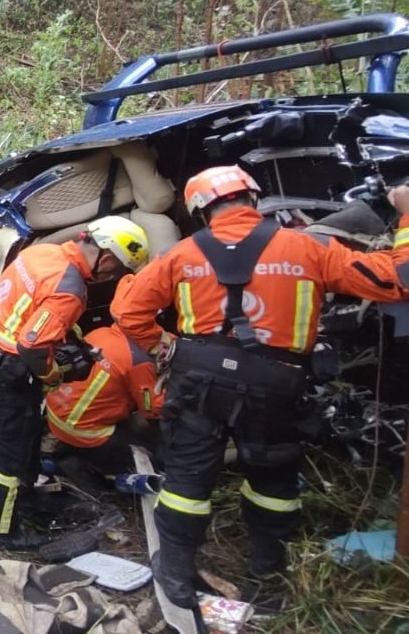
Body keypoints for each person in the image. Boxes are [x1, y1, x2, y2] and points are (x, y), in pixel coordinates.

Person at [112, 165, 409, 608]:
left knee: (186, 483)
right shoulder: (307, 247)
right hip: (275, 385)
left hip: (201, 382)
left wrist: (165, 347)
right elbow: (397, 279)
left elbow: (129, 311)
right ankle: (268, 581)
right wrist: (405, 218)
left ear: (200, 209)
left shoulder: (182, 254)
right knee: (272, 485)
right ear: (252, 198)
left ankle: (175, 575)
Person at [0, 216, 149, 549]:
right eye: (116, 270)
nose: (111, 277)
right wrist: (52, 377)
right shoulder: (72, 290)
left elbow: (34, 312)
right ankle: (1, 532)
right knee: (11, 452)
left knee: (28, 433)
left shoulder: (43, 253)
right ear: (106, 255)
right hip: (8, 367)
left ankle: (24, 496)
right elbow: (33, 345)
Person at [44, 318, 164, 488]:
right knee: (152, 456)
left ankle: (75, 451)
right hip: (81, 428)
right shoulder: (139, 363)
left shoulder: (102, 333)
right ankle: (86, 468)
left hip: (57, 412)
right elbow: (151, 409)